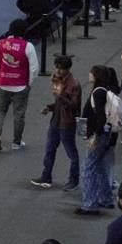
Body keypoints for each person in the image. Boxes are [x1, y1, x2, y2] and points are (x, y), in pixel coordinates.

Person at [30, 56, 81, 191]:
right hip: (56, 121)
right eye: (57, 67)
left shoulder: (74, 84)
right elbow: (60, 103)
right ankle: (46, 176)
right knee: (49, 150)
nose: (58, 71)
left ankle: (74, 180)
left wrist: (60, 96)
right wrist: (50, 107)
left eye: (61, 68)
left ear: (67, 69)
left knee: (72, 154)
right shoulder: (59, 80)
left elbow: (74, 106)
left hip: (67, 124)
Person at [78, 66, 122, 215]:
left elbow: (100, 117)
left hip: (99, 135)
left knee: (88, 169)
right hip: (106, 134)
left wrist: (95, 137)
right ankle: (105, 198)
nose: (89, 74)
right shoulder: (105, 91)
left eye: (91, 72)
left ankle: (90, 204)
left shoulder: (98, 92)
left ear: (96, 75)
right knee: (99, 168)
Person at [0, 19, 39, 152]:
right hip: (20, 85)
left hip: (3, 83)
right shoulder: (28, 46)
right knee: (19, 114)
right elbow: (34, 69)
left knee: (0, 111)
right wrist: (29, 84)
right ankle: (16, 142)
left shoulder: (0, 44)